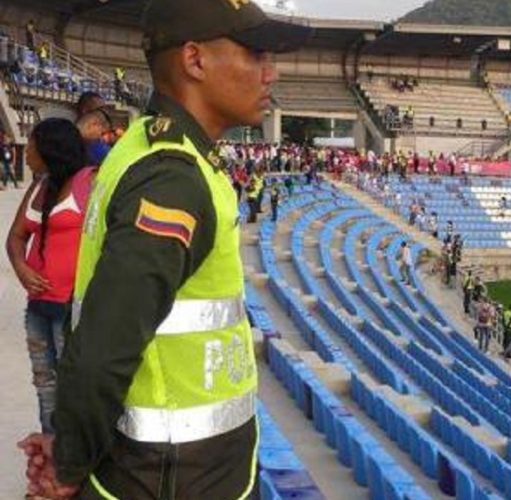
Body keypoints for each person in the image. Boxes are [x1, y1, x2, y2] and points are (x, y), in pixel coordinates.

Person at [17, 1, 312, 498]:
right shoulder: (173, 179)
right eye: (256, 53)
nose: (272, 72)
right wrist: (68, 464)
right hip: (173, 478)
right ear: (195, 60)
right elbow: (103, 349)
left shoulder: (146, 146)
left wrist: (69, 443)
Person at [6, 119, 94, 434]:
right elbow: (15, 237)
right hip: (39, 307)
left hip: (72, 308)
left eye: (31, 144)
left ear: (49, 149)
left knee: (73, 389)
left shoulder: (88, 182)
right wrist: (21, 268)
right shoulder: (38, 185)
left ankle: (75, 464)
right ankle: (52, 459)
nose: (25, 150)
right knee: (45, 386)